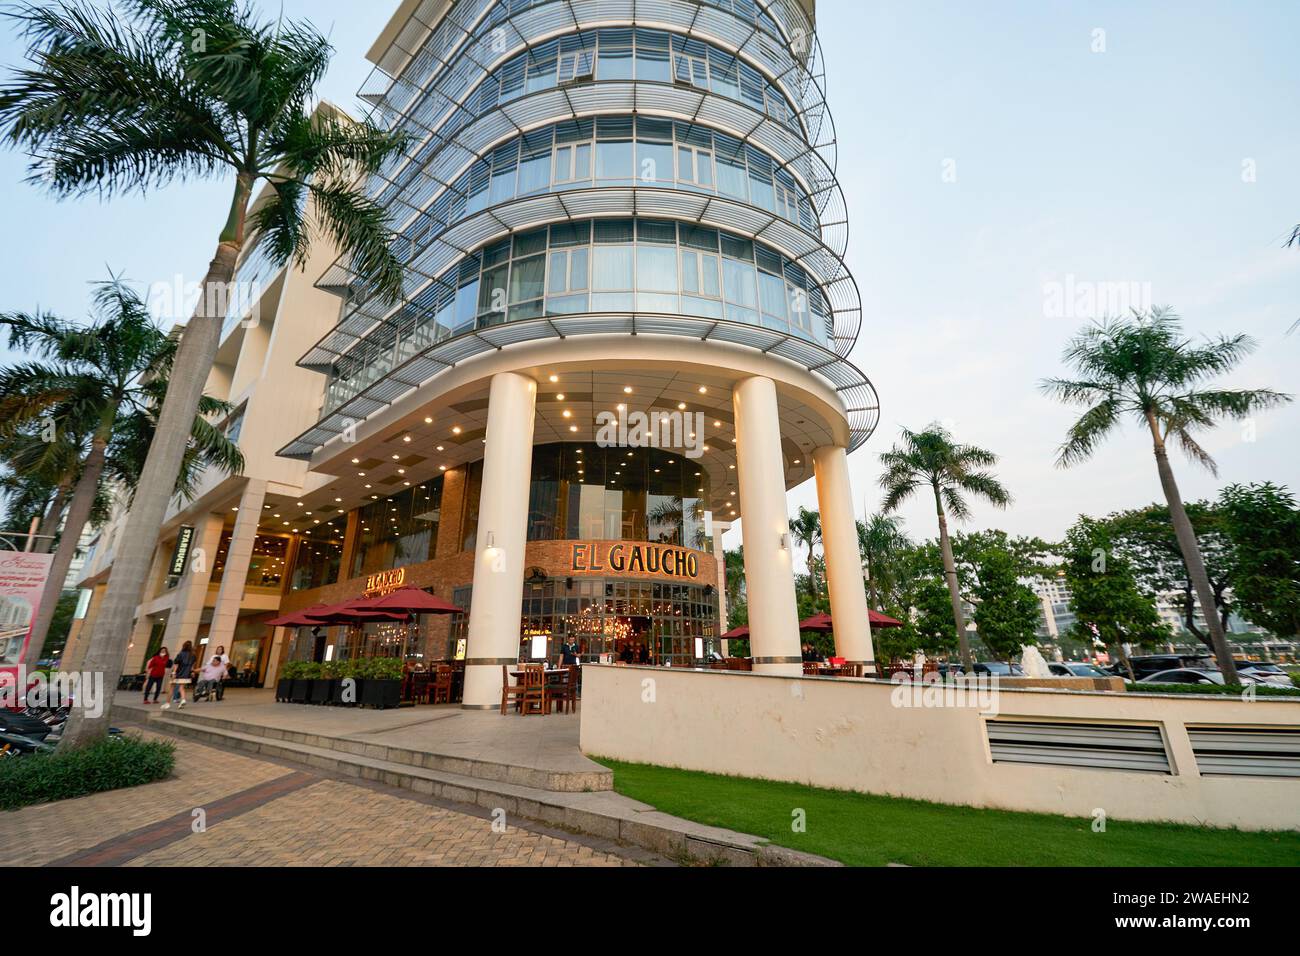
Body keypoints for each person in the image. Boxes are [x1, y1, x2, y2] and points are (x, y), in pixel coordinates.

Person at [162, 641, 195, 709]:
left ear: (183, 646)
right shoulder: (193, 656)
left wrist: (174, 673)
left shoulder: (180, 654)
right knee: (181, 688)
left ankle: (167, 703)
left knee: (171, 688)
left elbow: (176, 664)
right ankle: (183, 699)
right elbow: (192, 666)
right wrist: (192, 672)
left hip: (178, 674)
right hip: (186, 674)